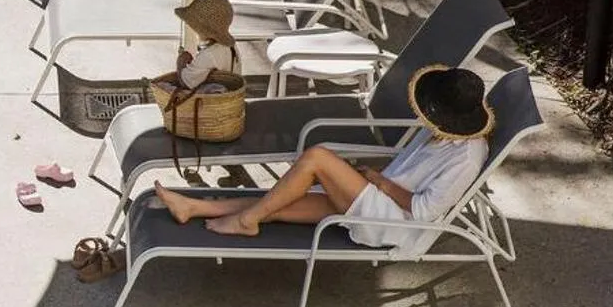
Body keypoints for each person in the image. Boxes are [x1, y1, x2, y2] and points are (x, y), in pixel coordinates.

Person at [152, 64, 492, 243]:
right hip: (374, 197)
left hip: (390, 222)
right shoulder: (437, 130)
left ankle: (245, 221)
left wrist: (376, 181)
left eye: (434, 114)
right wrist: (368, 177)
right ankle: (194, 207)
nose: (426, 117)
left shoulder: (465, 158)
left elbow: (422, 211)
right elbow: (403, 170)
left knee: (317, 156)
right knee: (280, 202)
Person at [171, 0, 239, 90]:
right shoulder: (230, 47)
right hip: (230, 99)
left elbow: (186, 82)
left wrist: (180, 62)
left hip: (211, 104)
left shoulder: (210, 54)